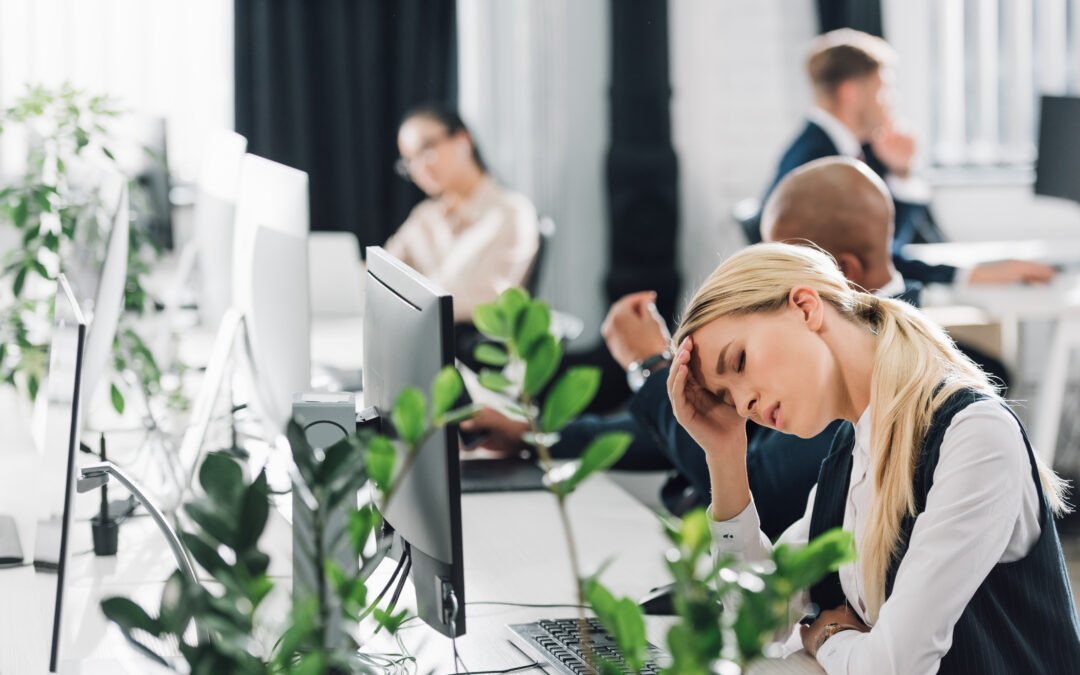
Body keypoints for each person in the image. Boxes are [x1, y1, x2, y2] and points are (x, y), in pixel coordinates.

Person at [667, 242, 1080, 672]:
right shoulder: (851, 456)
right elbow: (754, 626)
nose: (742, 404)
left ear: (806, 308)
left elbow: (893, 666)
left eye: (739, 362)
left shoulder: (974, 435)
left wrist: (828, 636)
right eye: (726, 398)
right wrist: (725, 457)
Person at [757, 28, 1055, 287]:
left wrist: (901, 172)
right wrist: (974, 275)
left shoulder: (849, 150)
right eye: (884, 90)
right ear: (851, 94)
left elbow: (892, 244)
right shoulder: (818, 162)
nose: (893, 102)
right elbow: (875, 260)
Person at [386, 104, 539, 323]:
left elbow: (489, 301)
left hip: (464, 340)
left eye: (426, 149)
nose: (419, 167)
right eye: (409, 160)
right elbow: (384, 269)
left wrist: (410, 301)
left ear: (463, 140)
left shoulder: (511, 213)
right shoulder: (425, 216)